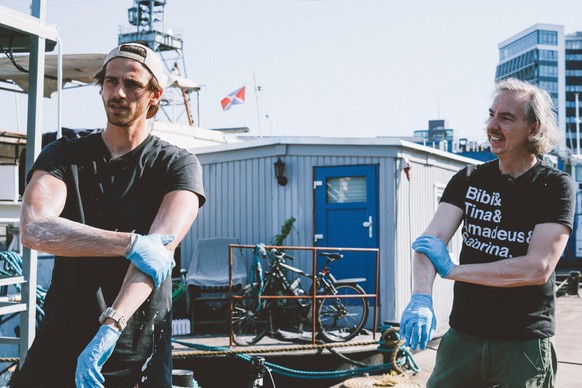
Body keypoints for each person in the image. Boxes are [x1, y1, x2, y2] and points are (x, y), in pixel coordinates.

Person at [11, 43, 206, 387]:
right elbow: (35, 228)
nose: (118, 92)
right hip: (60, 338)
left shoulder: (177, 165)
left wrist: (110, 327)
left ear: (155, 95)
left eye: (132, 84)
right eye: (110, 82)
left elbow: (156, 257)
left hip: (136, 348)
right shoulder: (63, 156)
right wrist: (129, 243)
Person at [400, 78, 575, 387]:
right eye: (491, 115)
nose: (492, 125)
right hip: (463, 338)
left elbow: (537, 268)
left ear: (533, 128)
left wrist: (454, 270)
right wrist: (421, 296)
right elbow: (430, 243)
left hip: (522, 345)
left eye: (506, 118)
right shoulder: (468, 179)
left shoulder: (554, 186)